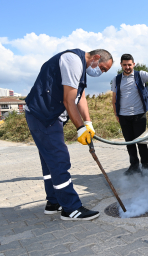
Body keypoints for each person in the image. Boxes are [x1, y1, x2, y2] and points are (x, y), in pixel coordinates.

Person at [25, 49, 113, 221]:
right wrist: (80, 128)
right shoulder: (73, 61)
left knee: (49, 160)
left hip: (45, 115)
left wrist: (88, 122)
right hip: (43, 116)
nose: (100, 72)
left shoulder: (80, 67)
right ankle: (71, 208)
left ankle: (54, 202)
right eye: (102, 68)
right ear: (96, 58)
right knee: (59, 159)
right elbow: (68, 100)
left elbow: (80, 97)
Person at [111, 54, 148, 175]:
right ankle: (134, 166)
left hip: (138, 115)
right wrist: (116, 114)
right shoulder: (116, 79)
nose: (127, 67)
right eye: (124, 65)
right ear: (121, 65)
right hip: (123, 116)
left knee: (141, 142)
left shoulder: (140, 75)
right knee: (129, 142)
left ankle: (145, 167)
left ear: (133, 64)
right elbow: (114, 98)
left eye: (129, 64)